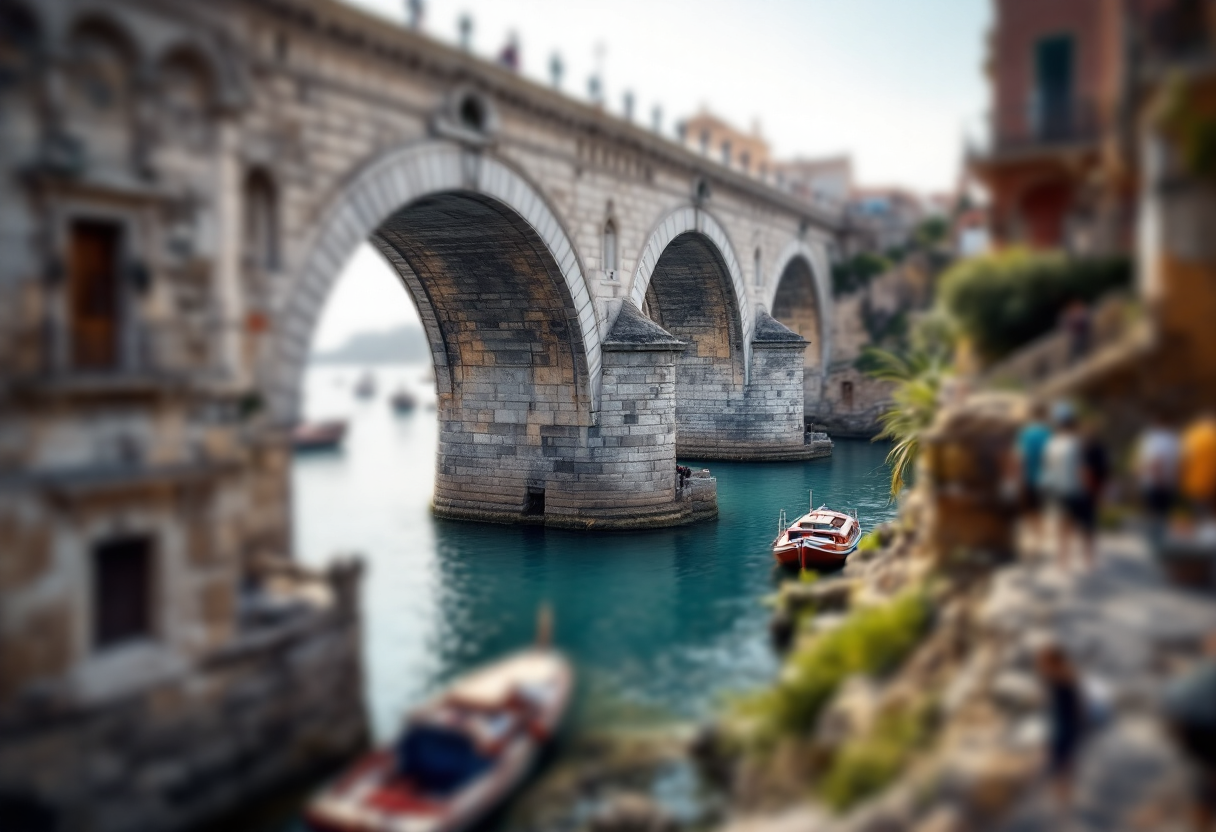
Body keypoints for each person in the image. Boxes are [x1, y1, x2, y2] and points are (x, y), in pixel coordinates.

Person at [1163, 630, 1216, 832]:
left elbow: (1175, 698)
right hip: (1201, 736)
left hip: (1200, 736)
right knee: (1201, 786)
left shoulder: (1205, 672)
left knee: (1199, 786)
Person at [1037, 643, 1087, 814]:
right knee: (1060, 767)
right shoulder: (1059, 678)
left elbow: (1073, 709)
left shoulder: (1063, 679)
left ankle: (1062, 807)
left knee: (1061, 767)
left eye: (1044, 662)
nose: (1041, 666)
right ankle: (1062, 805)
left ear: (1054, 662)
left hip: (1065, 728)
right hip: (1061, 727)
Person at [1041, 403, 1088, 569]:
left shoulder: (1051, 444)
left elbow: (1047, 468)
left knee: (1061, 524)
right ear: (1073, 424)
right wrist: (1086, 488)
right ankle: (1078, 557)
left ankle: (1062, 558)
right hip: (1073, 489)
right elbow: (1082, 469)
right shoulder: (1076, 443)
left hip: (1056, 489)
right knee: (1076, 525)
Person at [1011, 401, 1053, 546]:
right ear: (1044, 415)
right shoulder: (1048, 433)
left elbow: (1019, 458)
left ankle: (1036, 539)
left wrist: (1017, 479)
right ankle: (1039, 539)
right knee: (1040, 511)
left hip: (1027, 477)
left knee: (1028, 512)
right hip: (1045, 480)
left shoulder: (1025, 434)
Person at [1137, 413, 1182, 545]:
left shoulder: (1155, 439)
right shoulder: (1174, 440)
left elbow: (1157, 461)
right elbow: (1179, 463)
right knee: (1163, 516)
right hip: (1169, 483)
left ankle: (1155, 543)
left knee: (1154, 516)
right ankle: (1161, 541)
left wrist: (1157, 480)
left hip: (1155, 483)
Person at [1181, 412, 1216, 521]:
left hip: (1194, 485)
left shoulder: (1192, 435)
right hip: (1212, 485)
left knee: (1200, 519)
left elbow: (1183, 460)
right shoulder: (1212, 436)